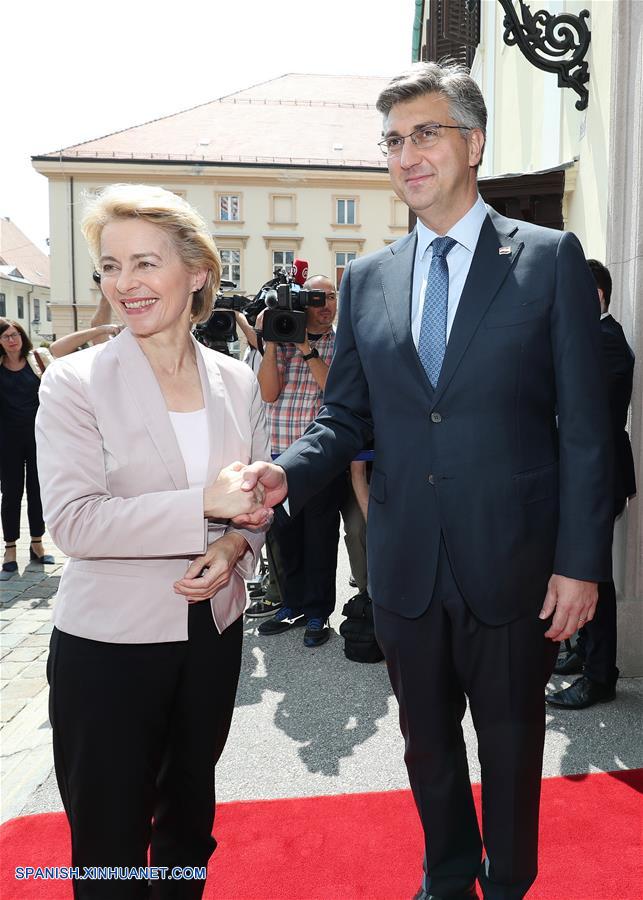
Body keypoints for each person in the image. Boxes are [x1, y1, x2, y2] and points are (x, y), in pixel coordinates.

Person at [241, 62, 613, 900]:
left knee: (510, 743)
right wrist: (283, 474)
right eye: (391, 141)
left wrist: (580, 563)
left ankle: (508, 882)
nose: (405, 155)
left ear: (472, 144)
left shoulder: (547, 258)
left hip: (515, 563)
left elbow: (586, 429)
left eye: (424, 134)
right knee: (424, 744)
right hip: (404, 561)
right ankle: (445, 876)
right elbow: (344, 416)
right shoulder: (369, 278)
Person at [35, 183, 271, 899]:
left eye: (145, 263)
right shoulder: (75, 383)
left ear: (197, 272)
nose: (124, 284)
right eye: (110, 266)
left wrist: (233, 548)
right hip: (108, 645)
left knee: (188, 828)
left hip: (211, 632)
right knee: (109, 843)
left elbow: (255, 500)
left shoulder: (237, 381)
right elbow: (74, 521)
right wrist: (202, 505)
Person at [547, 258, 636, 710]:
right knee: (586, 564)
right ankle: (585, 652)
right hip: (588, 475)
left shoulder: (605, 341)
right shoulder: (594, 338)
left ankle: (600, 677)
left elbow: (583, 413)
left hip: (600, 477)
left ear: (595, 296)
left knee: (592, 571)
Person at [256, 275, 347, 648]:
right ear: (303, 303)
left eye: (331, 297)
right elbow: (268, 393)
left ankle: (317, 613)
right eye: (317, 298)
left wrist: (306, 348)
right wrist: (272, 344)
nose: (325, 306)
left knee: (320, 538)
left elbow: (336, 390)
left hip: (319, 457)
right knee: (284, 539)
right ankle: (291, 605)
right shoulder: (281, 338)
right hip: (278, 456)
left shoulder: (342, 342)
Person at [0, 319, 59, 574]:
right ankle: (10, 548)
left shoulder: (38, 360)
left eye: (15, 334)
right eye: (5, 336)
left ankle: (37, 544)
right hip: (7, 441)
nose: (12, 340)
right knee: (11, 493)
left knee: (38, 491)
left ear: (22, 336)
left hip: (39, 438)